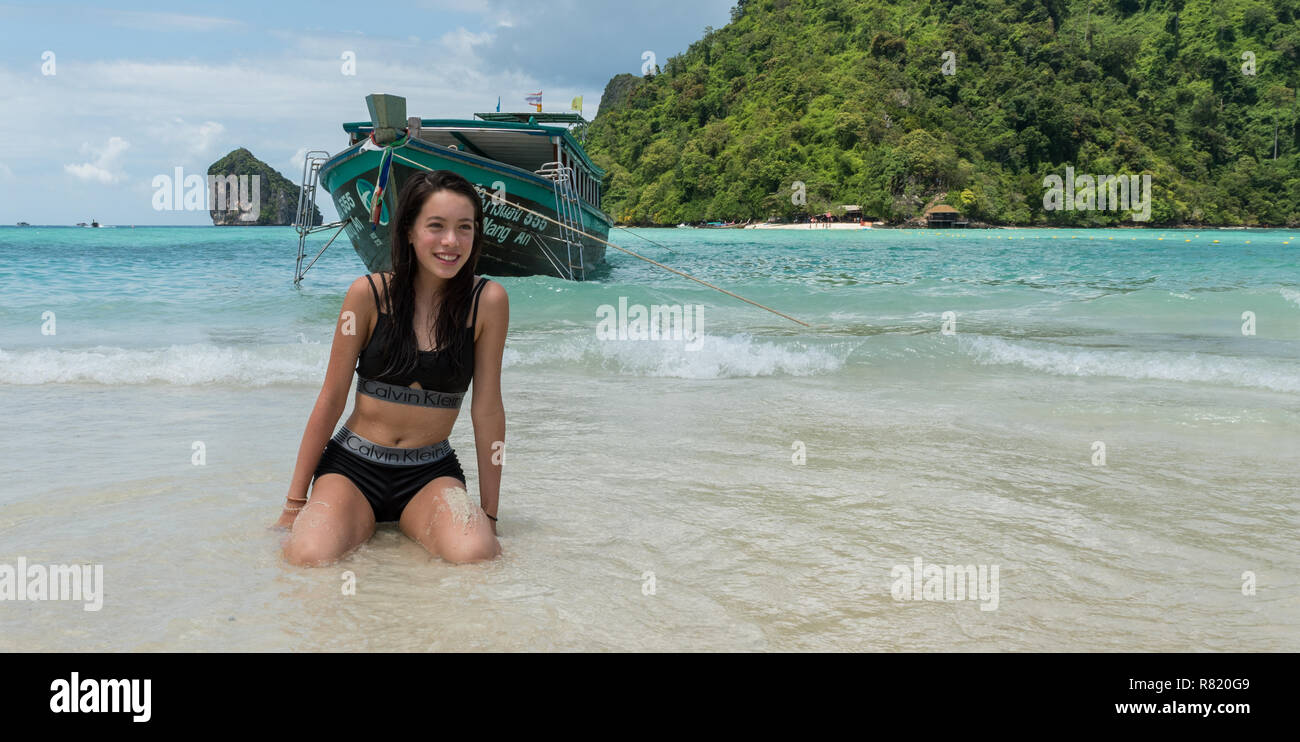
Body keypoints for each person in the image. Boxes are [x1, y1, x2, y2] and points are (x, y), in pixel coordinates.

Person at [276, 170, 508, 566]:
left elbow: (487, 410)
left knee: (477, 554)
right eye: (436, 227)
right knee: (308, 556)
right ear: (409, 232)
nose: (451, 241)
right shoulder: (367, 295)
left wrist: (489, 513)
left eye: (464, 228)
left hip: (430, 474)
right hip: (351, 470)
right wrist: (295, 502)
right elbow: (331, 399)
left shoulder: (487, 301)